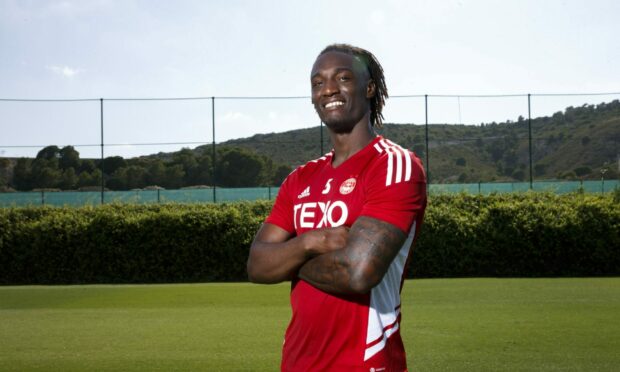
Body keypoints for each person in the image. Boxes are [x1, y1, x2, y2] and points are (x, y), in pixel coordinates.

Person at [247, 43, 427, 372]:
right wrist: (308, 243)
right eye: (318, 82)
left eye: (343, 78)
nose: (328, 88)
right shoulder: (299, 179)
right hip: (297, 363)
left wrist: (288, 260)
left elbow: (358, 272)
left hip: (365, 362)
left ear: (369, 88)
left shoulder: (393, 165)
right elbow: (257, 265)